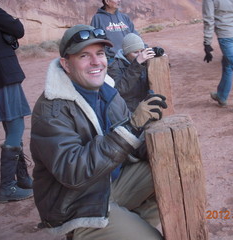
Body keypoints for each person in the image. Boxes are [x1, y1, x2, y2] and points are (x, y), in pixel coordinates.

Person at [30, 24, 167, 240]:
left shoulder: (107, 92)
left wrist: (160, 143)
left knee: (166, 168)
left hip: (110, 185)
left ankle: (128, 226)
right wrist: (130, 127)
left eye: (100, 53)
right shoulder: (51, 110)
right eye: (84, 55)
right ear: (66, 64)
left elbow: (130, 143)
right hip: (77, 204)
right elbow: (73, 171)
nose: (96, 62)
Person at [0, 3, 33, 203]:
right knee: (16, 124)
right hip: (1, 72)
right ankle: (7, 187)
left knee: (11, 124)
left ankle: (23, 178)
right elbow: (18, 30)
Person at [108, 33, 155, 112]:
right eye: (136, 52)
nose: (140, 55)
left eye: (142, 51)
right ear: (126, 54)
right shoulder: (114, 67)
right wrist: (137, 64)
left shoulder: (144, 62)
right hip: (128, 112)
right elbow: (120, 91)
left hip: (146, 107)